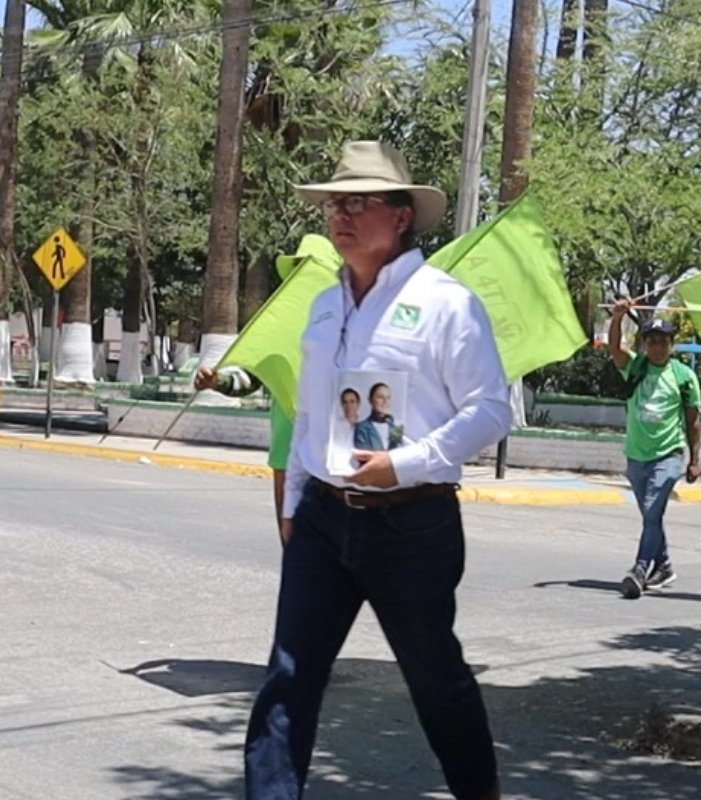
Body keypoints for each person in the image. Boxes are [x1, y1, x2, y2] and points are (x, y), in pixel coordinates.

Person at [243, 140, 510, 800]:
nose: (340, 215)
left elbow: (491, 409)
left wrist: (406, 464)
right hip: (323, 521)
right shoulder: (324, 304)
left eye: (357, 202)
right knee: (287, 677)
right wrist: (295, 502)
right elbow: (310, 414)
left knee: (436, 683)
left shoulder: (446, 303)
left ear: (400, 216)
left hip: (412, 523)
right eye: (334, 203)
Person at [193, 234, 340, 540]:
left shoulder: (347, 325)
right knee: (294, 544)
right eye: (299, 268)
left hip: (332, 455)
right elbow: (249, 379)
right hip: (286, 454)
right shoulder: (279, 328)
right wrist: (217, 381)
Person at [607, 300, 701, 599]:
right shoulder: (636, 367)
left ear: (672, 345)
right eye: (652, 341)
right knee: (651, 516)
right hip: (636, 455)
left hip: (668, 454)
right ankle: (664, 565)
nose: (658, 347)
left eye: (663, 341)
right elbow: (614, 349)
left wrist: (694, 460)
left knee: (651, 510)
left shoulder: (684, 377)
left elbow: (694, 422)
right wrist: (618, 318)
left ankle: (639, 569)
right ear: (645, 344)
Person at [354, 381, 400, 450]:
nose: (385, 401)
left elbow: (401, 454)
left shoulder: (396, 427)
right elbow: (362, 456)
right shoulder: (362, 428)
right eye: (380, 397)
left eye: (388, 398)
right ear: (370, 400)